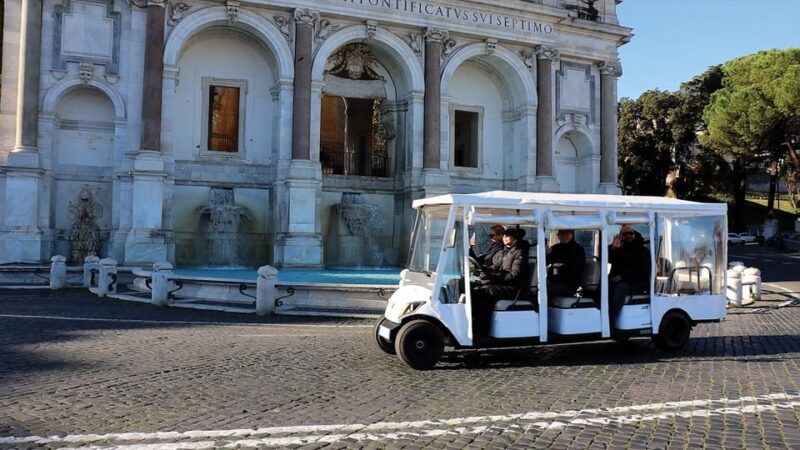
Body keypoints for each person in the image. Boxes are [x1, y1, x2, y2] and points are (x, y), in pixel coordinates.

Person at [471, 228, 529, 341]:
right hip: (502, 283)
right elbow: (494, 267)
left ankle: (482, 330)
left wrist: (495, 276)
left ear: (515, 238)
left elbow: (514, 275)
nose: (505, 237)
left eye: (508, 235)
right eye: (504, 235)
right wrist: (483, 271)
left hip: (514, 288)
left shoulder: (520, 252)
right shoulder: (504, 251)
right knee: (474, 289)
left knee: (484, 292)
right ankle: (474, 325)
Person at [608, 225, 651, 328]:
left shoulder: (643, 251)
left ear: (634, 234)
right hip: (620, 280)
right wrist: (613, 249)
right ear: (620, 236)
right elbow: (607, 260)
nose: (628, 236)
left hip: (636, 282)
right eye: (624, 234)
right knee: (603, 285)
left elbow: (642, 272)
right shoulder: (619, 248)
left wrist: (623, 276)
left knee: (620, 288)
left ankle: (611, 317)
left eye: (630, 233)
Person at [546, 229, 585, 297]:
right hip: (553, 281)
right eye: (561, 233)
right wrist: (546, 254)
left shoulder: (578, 249)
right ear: (558, 235)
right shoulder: (555, 248)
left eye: (567, 233)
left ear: (572, 234)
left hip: (570, 285)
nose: (564, 236)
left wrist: (558, 266)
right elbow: (546, 263)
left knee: (545, 290)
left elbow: (574, 270)